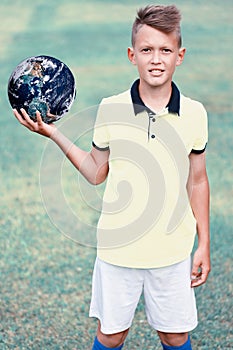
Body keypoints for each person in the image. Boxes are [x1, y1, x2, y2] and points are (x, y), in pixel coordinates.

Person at [13, 4, 211, 350]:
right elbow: (95, 172)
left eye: (165, 50)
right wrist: (55, 134)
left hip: (173, 251)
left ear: (180, 56)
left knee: (176, 335)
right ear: (132, 54)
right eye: (147, 50)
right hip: (118, 252)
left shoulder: (194, 113)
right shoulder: (111, 108)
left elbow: (198, 181)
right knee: (111, 334)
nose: (156, 59)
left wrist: (204, 243)